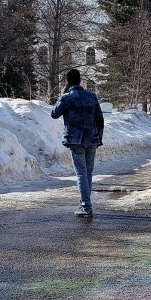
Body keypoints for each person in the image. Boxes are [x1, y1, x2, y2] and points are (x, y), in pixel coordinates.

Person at [51, 69, 104, 216]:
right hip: (92, 138)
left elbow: (54, 113)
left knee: (81, 173)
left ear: (67, 82)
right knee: (88, 172)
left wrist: (62, 94)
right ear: (80, 80)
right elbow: (100, 120)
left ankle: (86, 205)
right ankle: (86, 203)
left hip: (75, 139)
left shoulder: (67, 98)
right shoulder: (91, 97)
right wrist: (99, 137)